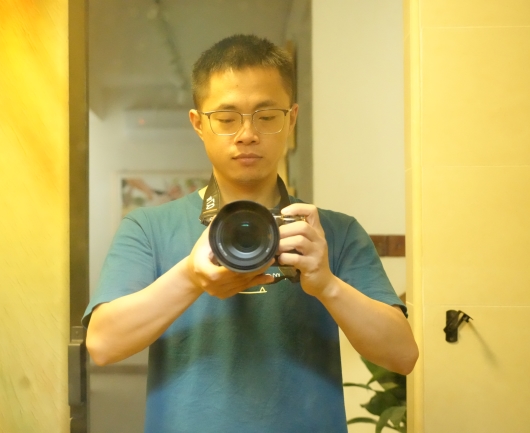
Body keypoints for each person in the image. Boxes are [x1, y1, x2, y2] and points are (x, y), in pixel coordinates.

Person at [83, 34, 418, 433]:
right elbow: (102, 345)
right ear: (198, 124)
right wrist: (190, 277)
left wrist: (327, 285)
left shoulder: (332, 232)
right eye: (227, 119)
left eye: (267, 116)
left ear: (291, 120)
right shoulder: (149, 228)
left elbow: (402, 356)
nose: (247, 134)